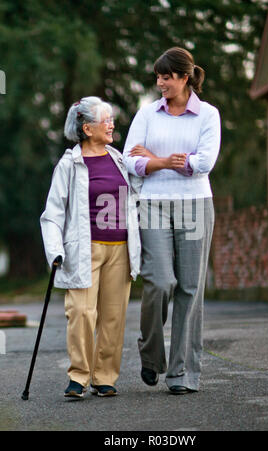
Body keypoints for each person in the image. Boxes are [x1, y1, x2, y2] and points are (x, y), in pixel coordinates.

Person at [123, 47, 221, 394]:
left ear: (183, 77)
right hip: (153, 204)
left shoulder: (207, 115)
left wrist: (154, 158)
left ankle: (182, 374)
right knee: (160, 282)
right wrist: (165, 162)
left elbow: (204, 162)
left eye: (166, 76)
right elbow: (129, 161)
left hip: (195, 203)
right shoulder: (147, 114)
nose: (160, 82)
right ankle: (151, 356)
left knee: (190, 289)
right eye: (158, 77)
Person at [40, 96, 140, 399]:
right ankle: (79, 375)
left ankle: (105, 376)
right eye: (105, 120)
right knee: (81, 312)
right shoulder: (70, 164)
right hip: (83, 249)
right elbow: (52, 214)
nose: (112, 125)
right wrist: (55, 251)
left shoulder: (120, 159)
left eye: (111, 119)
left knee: (113, 315)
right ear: (87, 128)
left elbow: (138, 198)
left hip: (119, 248)